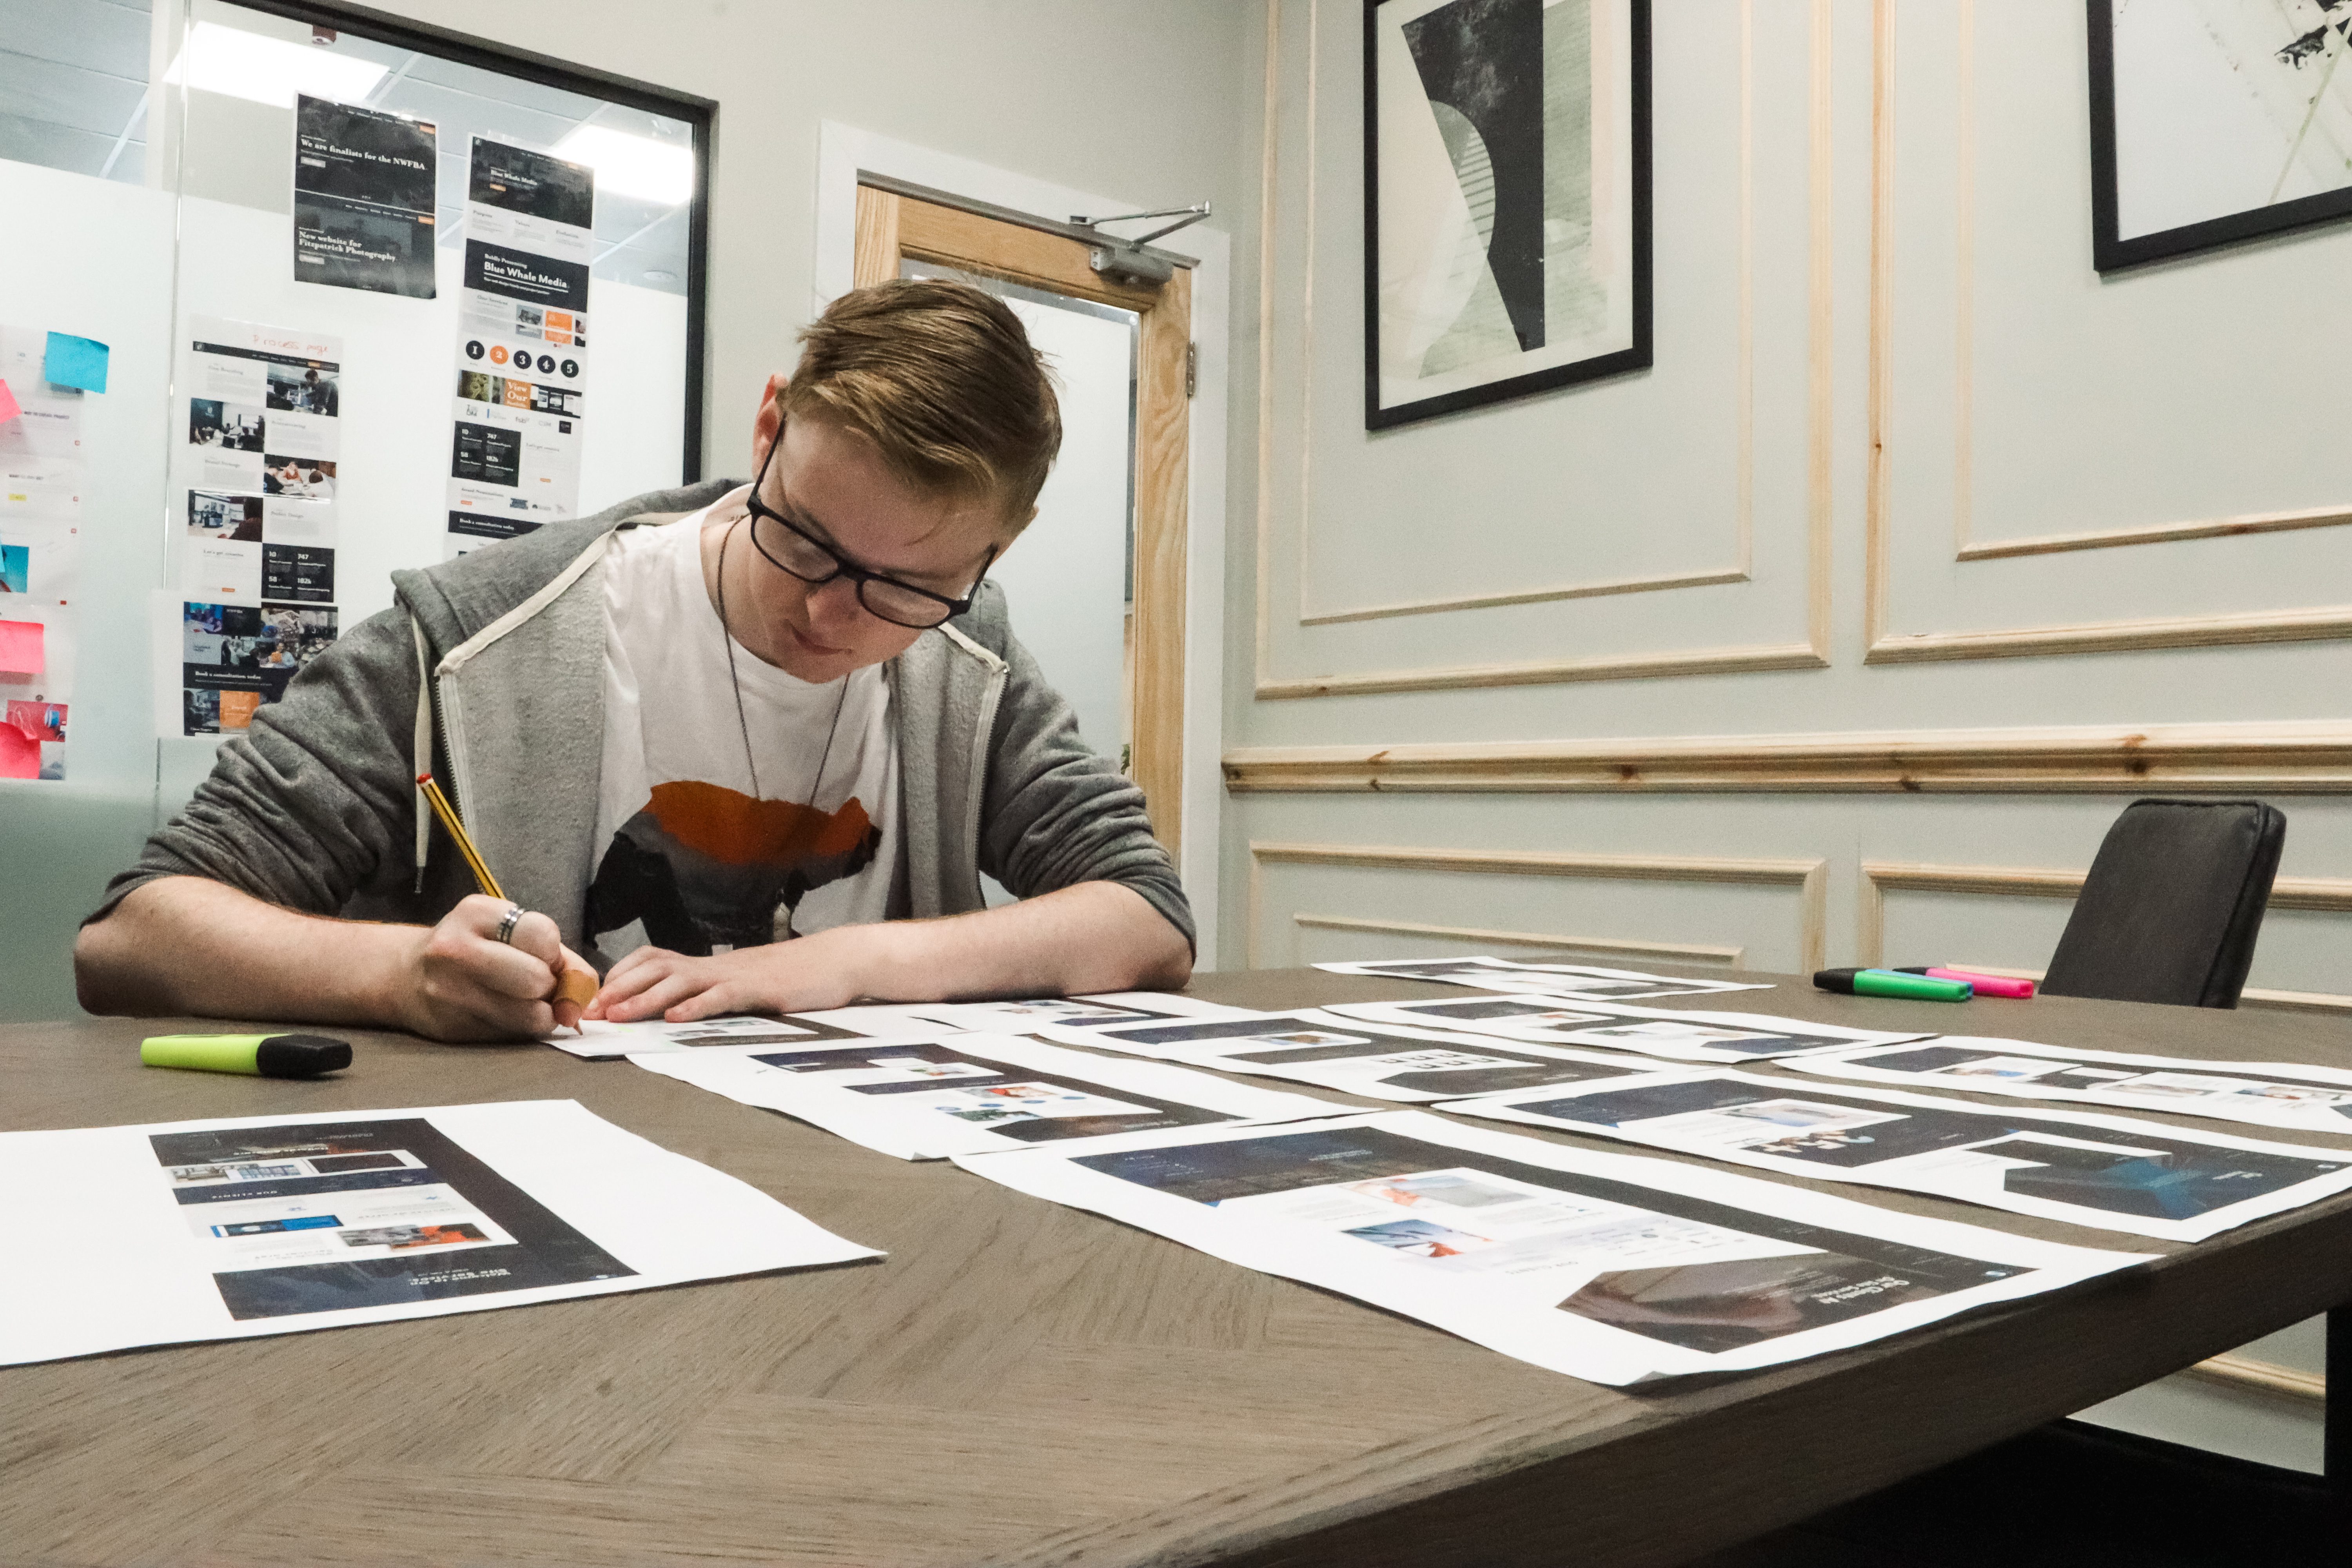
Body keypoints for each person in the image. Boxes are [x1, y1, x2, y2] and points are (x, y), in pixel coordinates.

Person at [77, 279, 1192, 1042]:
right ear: (769, 429)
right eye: (802, 535)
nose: (827, 612)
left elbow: (1143, 916)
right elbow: (134, 935)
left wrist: (838, 967)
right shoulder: (481, 634)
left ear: (999, 548)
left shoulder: (968, 653)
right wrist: (399, 974)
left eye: (902, 587)